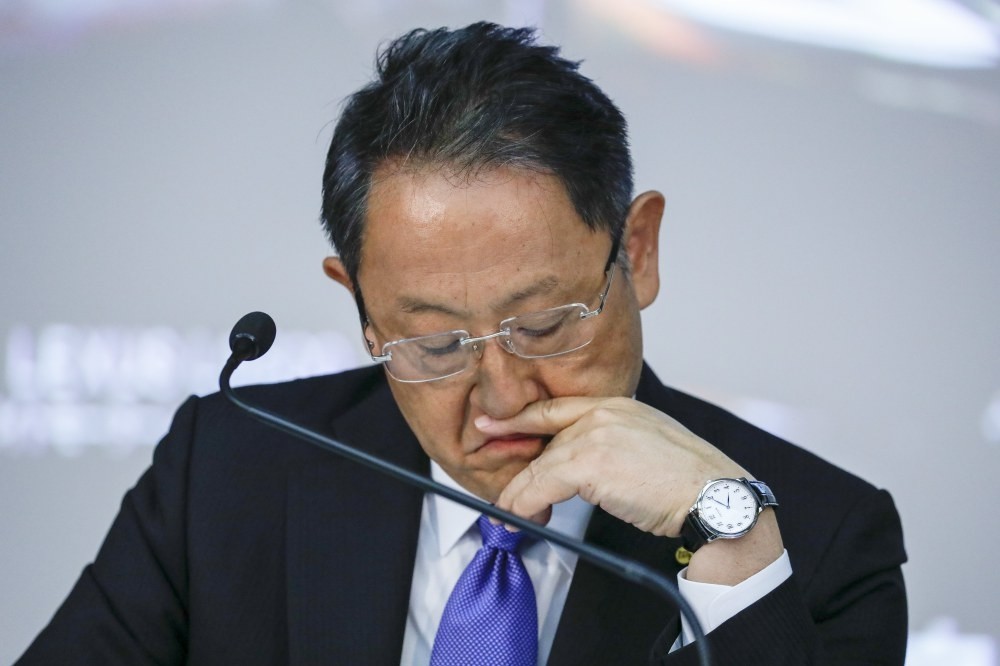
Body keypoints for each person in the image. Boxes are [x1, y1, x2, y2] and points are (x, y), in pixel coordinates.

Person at [16, 22, 906, 665]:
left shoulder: (820, 541)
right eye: (435, 341)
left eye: (547, 322)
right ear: (361, 307)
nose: (501, 394)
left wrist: (732, 548)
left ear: (637, 251)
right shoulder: (233, 468)